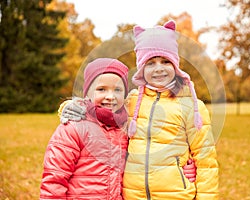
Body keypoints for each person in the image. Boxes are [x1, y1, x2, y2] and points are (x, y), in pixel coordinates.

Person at [122, 20, 219, 199]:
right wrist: (73, 107)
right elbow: (99, 112)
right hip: (133, 196)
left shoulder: (191, 106)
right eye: (150, 63)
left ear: (175, 65)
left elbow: (206, 162)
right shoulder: (131, 101)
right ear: (141, 69)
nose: (159, 68)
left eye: (165, 61)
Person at [40, 58, 129, 199]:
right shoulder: (75, 126)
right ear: (87, 93)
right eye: (101, 89)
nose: (110, 96)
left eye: (117, 89)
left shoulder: (125, 129)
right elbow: (55, 176)